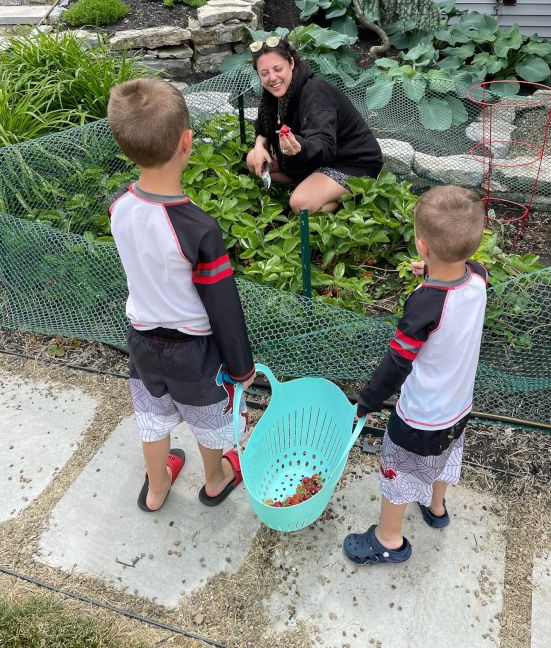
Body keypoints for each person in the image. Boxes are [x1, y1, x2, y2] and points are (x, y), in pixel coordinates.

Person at [107, 78, 256, 513]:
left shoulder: (119, 205)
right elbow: (223, 307)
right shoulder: (198, 228)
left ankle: (156, 489)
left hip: (140, 339)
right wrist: (242, 366)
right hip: (194, 350)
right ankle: (216, 479)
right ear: (187, 142)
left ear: (125, 145)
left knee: (151, 417)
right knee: (208, 418)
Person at [343, 185, 488, 565]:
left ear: (422, 245)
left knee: (398, 471)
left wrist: (368, 400)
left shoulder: (426, 303)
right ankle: (436, 508)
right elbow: (459, 275)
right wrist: (433, 271)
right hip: (458, 407)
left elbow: (398, 361)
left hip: (420, 416)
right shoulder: (479, 278)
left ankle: (388, 539)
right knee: (444, 455)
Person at [245, 36, 383, 213]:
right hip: (312, 159)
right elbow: (263, 125)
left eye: (277, 69)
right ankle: (314, 187)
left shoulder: (315, 94)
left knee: (300, 204)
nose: (272, 78)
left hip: (351, 162)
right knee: (253, 160)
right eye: (264, 73)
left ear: (291, 64)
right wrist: (259, 145)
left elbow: (324, 145)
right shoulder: (274, 94)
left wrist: (299, 147)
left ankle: (343, 200)